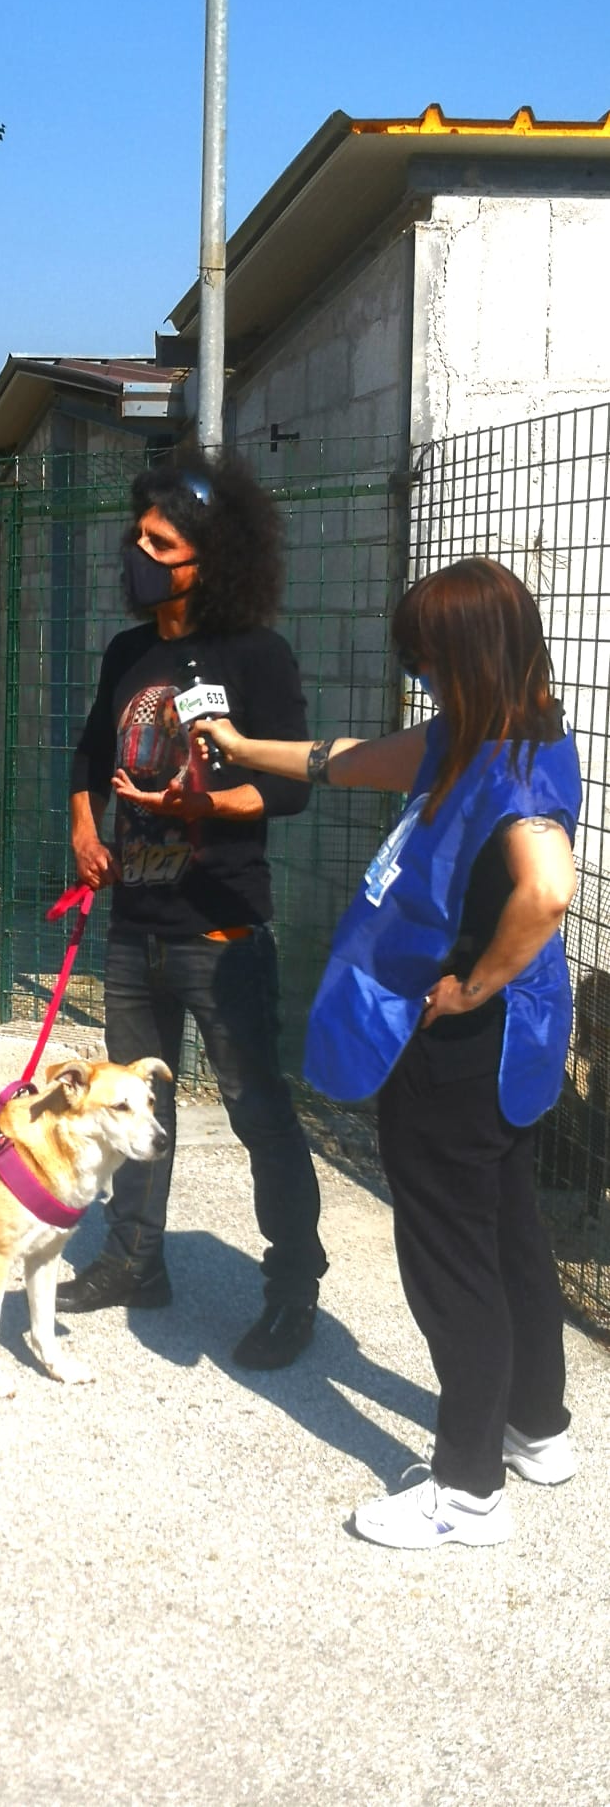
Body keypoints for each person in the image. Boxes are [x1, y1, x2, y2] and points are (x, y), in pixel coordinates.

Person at [193, 555, 580, 1549]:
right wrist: (241, 745)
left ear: (462, 658)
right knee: (507, 1230)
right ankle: (536, 1429)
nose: (416, 680)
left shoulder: (512, 768)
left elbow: (545, 888)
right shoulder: (489, 734)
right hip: (512, 1047)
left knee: (449, 1257)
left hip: (464, 1044)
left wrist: (472, 985)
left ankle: (466, 1489)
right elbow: (345, 759)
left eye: (423, 662)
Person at [61, 450, 328, 1370]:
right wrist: (83, 832)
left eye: (159, 544)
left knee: (258, 1114)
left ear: (208, 560)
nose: (136, 553)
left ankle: (292, 1288)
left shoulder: (256, 654)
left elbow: (289, 788)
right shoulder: (126, 653)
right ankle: (134, 1262)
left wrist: (201, 805)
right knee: (132, 1107)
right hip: (133, 929)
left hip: (220, 931)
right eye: (136, 536)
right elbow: (89, 755)